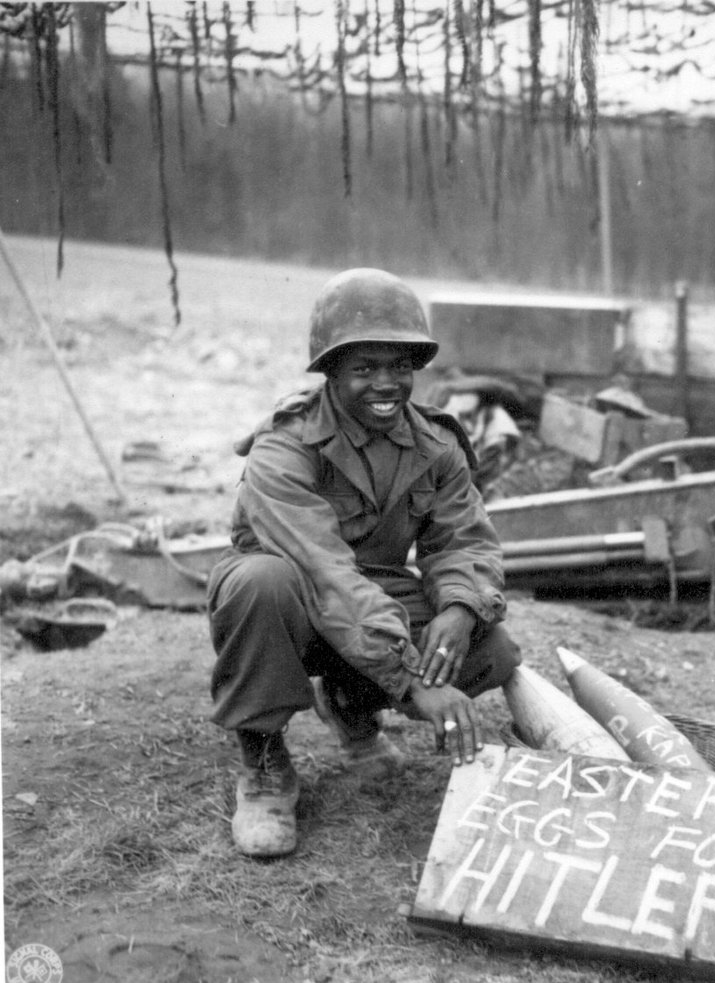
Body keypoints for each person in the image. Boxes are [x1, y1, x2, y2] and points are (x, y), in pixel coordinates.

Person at [207, 267, 521, 858]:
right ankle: (265, 761)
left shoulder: (435, 445)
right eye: (364, 368)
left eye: (399, 366)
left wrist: (459, 607)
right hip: (292, 598)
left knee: (490, 650)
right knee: (260, 583)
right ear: (328, 373)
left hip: (367, 600)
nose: (386, 384)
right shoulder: (285, 447)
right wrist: (410, 677)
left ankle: (351, 704)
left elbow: (465, 541)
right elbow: (324, 572)